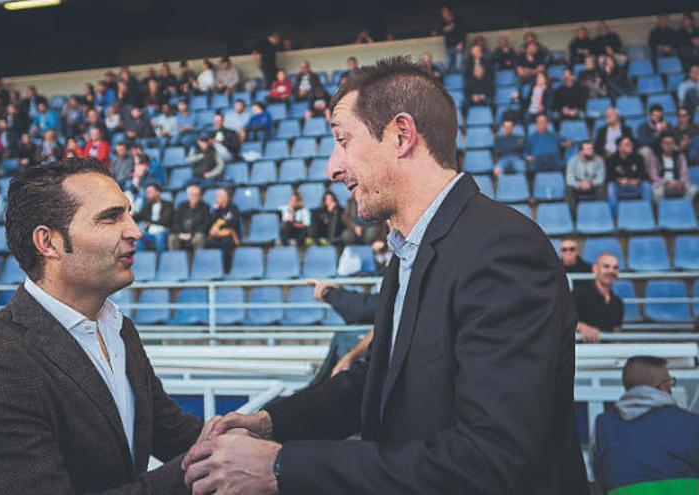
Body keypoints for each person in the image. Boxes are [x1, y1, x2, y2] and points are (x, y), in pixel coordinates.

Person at [182, 56, 588, 495]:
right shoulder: (409, 249)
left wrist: (283, 467)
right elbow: (377, 379)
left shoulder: (503, 249)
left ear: (401, 135)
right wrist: (270, 422)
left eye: (343, 140)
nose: (332, 168)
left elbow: (490, 459)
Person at [0, 157, 209, 494]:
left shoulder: (118, 329)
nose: (135, 231)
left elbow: (176, 434)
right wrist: (201, 473)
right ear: (48, 243)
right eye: (111, 218)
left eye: (128, 213)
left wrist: (271, 447)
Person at [593, 356, 699, 493]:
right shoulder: (692, 424)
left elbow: (599, 477)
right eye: (670, 382)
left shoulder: (601, 427)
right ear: (664, 386)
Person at [572, 252, 622, 343]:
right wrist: (582, 327)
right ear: (595, 269)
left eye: (615, 268)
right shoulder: (578, 294)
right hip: (581, 353)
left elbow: (616, 335)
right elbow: (562, 320)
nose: (611, 271)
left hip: (607, 354)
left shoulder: (618, 302)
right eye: (606, 266)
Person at [646, 131, 697, 202]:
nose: (669, 146)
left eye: (671, 143)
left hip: (677, 183)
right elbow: (653, 175)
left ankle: (684, 206)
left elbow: (684, 172)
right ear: (661, 144)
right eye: (666, 143)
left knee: (692, 188)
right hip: (661, 183)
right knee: (656, 189)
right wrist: (666, 183)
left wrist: (680, 182)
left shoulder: (679, 155)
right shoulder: (654, 156)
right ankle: (661, 209)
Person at [606, 135, 652, 213]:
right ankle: (614, 216)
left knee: (646, 186)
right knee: (611, 187)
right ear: (619, 147)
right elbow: (608, 177)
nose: (630, 146)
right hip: (620, 187)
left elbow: (644, 174)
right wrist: (618, 180)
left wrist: (638, 180)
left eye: (631, 144)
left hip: (635, 186)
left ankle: (647, 212)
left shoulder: (638, 157)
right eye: (627, 144)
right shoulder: (612, 159)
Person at [205, 188, 240, 272]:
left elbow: (234, 222)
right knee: (209, 242)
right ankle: (213, 267)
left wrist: (222, 225)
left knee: (225, 242)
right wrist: (215, 211)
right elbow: (209, 224)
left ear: (226, 197)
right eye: (217, 196)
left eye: (219, 196)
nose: (217, 198)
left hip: (230, 234)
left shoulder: (233, 208)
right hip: (217, 234)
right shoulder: (216, 210)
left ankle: (226, 268)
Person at [168, 184, 211, 252]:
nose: (194, 197)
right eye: (192, 195)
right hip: (182, 234)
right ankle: (175, 260)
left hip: (196, 234)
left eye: (197, 195)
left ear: (200, 196)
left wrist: (191, 234)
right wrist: (180, 234)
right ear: (188, 195)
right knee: (172, 238)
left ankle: (198, 260)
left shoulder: (205, 207)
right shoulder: (181, 206)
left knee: (199, 237)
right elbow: (175, 222)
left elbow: (206, 225)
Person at [565, 140, 606, 211]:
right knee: (568, 190)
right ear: (581, 151)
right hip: (578, 185)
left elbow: (601, 177)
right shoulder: (572, 161)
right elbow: (569, 178)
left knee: (602, 188)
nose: (592, 151)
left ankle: (598, 213)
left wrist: (591, 183)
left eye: (592, 148)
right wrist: (580, 184)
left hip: (593, 185)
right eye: (588, 149)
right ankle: (574, 217)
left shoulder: (599, 160)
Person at [134, 183, 173, 253]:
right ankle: (143, 260)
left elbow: (166, 221)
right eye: (147, 192)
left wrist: (150, 222)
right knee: (138, 236)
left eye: (150, 191)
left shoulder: (168, 205)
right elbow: (138, 217)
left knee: (159, 235)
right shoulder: (148, 206)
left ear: (158, 192)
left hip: (163, 232)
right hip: (150, 234)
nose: (148, 194)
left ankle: (160, 261)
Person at [434, 6, 465, 73]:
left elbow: (463, 32)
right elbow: (437, 31)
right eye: (442, 13)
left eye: (445, 12)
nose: (444, 14)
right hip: (449, 46)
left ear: (449, 11)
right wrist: (442, 30)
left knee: (459, 66)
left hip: (458, 46)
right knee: (447, 67)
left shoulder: (458, 21)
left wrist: (462, 43)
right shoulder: (443, 23)